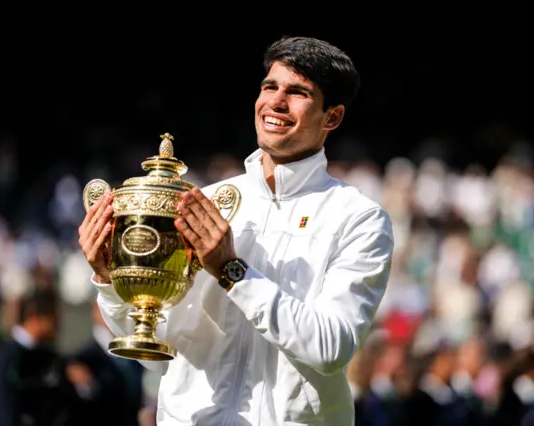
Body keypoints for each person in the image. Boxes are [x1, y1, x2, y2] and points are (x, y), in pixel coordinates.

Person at [78, 36, 394, 425]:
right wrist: (110, 277)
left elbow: (330, 347)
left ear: (332, 117)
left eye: (298, 93)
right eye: (269, 86)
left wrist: (233, 272)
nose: (276, 102)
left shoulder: (359, 218)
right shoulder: (204, 202)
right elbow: (153, 334)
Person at [0, 289, 82, 426]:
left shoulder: (51, 357)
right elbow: (6, 412)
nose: (58, 324)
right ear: (35, 317)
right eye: (52, 317)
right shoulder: (7, 359)